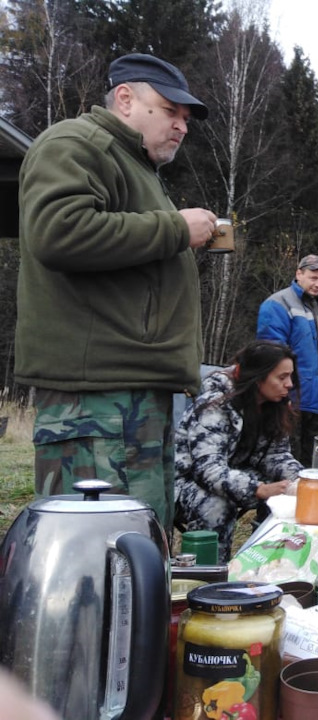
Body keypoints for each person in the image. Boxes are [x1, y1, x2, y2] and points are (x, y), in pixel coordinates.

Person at [15, 53, 218, 536]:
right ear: (125, 99)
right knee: (101, 557)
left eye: (185, 119)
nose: (181, 126)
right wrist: (174, 228)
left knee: (138, 552)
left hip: (130, 396)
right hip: (97, 402)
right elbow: (58, 233)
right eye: (170, 111)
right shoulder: (76, 143)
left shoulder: (134, 165)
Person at [175, 340, 302, 563]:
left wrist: (301, 481)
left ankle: (269, 563)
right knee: (216, 505)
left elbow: (276, 455)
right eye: (281, 377)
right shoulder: (215, 404)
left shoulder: (273, 406)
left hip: (236, 475)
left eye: (290, 376)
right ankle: (210, 576)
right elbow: (208, 470)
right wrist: (259, 489)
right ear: (258, 376)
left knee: (292, 496)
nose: (289, 384)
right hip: (184, 484)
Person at [257, 254, 318, 465]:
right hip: (292, 392)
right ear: (299, 274)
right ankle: (288, 495)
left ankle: (312, 492)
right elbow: (270, 354)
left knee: (315, 453)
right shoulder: (278, 303)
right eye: (313, 278)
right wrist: (283, 392)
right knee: (289, 451)